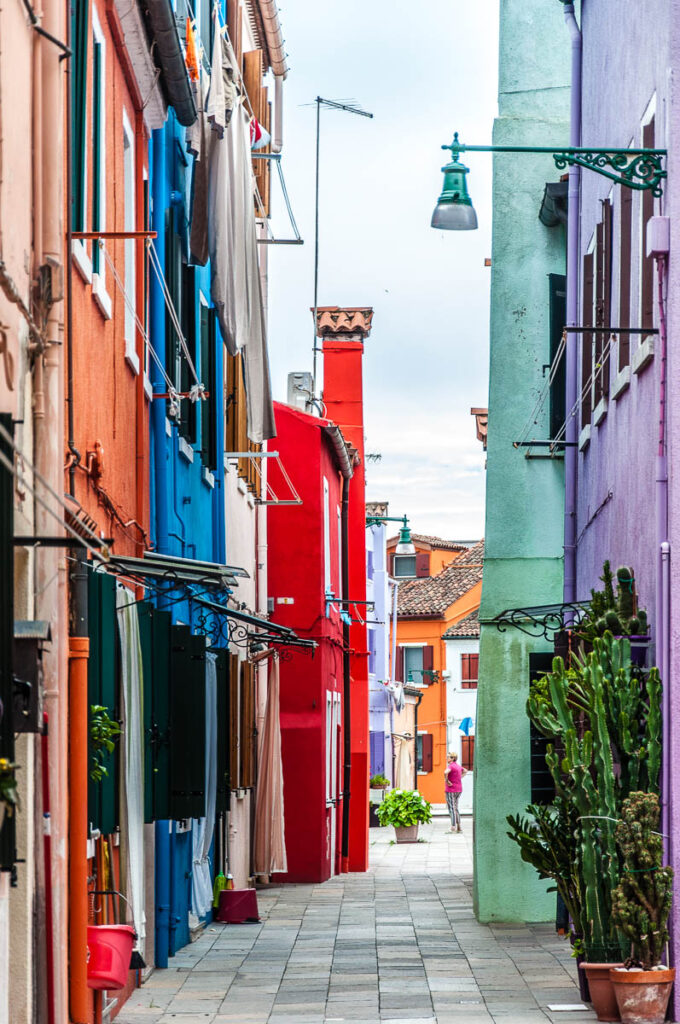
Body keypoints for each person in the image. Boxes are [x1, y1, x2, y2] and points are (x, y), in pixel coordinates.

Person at [444, 750, 467, 833]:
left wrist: (447, 780)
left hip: (451, 790)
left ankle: (453, 826)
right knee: (456, 807)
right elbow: (465, 770)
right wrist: (460, 777)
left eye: (448, 757)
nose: (446, 758)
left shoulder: (451, 766)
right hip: (459, 789)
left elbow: (445, 772)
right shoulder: (457, 766)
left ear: (452, 758)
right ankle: (459, 827)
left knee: (451, 808)